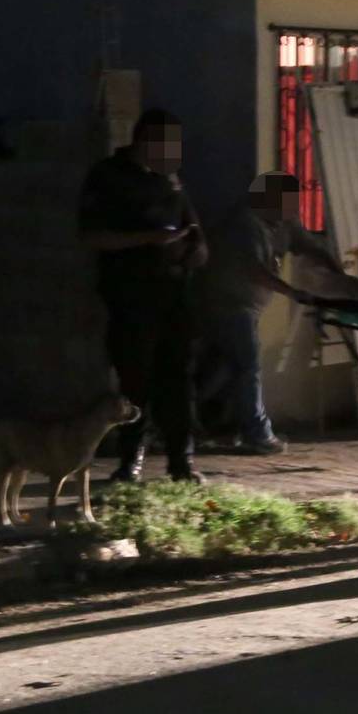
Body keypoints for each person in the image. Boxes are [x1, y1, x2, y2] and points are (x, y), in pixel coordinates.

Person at [78, 108, 209, 484]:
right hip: (131, 296)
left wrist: (196, 249)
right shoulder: (109, 177)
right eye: (169, 145)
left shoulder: (170, 180)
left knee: (178, 377)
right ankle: (131, 458)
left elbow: (193, 226)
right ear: (146, 141)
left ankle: (181, 461)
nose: (175, 153)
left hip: (175, 293)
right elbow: (92, 236)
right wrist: (150, 240)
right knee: (135, 377)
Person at [195, 172, 343, 454]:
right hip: (227, 305)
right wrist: (292, 292)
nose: (293, 209)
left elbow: (311, 247)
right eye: (288, 203)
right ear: (266, 198)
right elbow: (254, 270)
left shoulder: (285, 222)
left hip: (247, 308)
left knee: (224, 370)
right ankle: (257, 433)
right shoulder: (244, 224)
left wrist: (339, 274)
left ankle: (183, 424)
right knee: (247, 367)